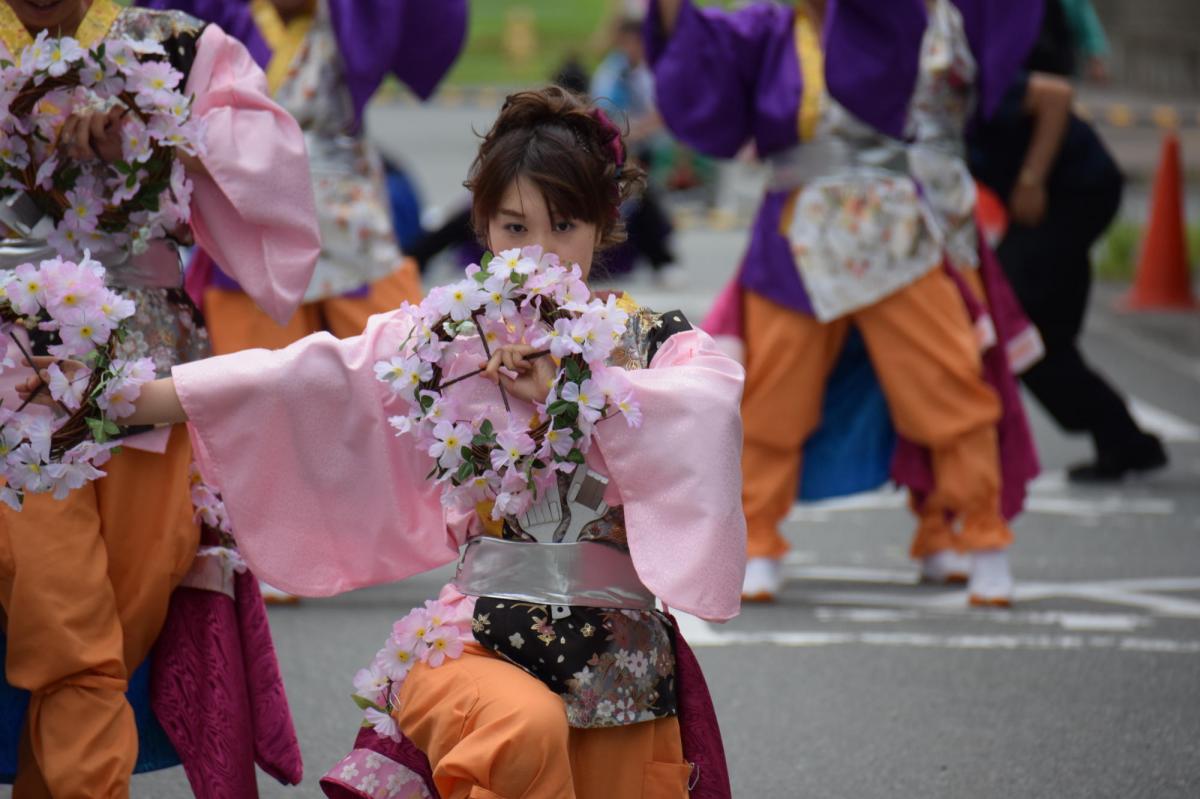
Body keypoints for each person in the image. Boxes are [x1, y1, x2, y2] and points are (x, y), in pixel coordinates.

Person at [28, 86, 745, 799]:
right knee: (520, 728)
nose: (541, 254)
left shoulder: (649, 344)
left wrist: (578, 390)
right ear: (484, 228)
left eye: (566, 226)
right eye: (516, 227)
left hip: (621, 661)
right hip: (481, 641)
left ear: (603, 227)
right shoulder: (445, 338)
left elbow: (705, 408)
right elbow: (299, 376)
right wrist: (110, 397)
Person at [0, 0, 320, 795]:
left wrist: (158, 130)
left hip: (145, 376)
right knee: (70, 632)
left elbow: (277, 177)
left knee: (123, 622)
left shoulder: (179, 49)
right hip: (12, 374)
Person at [646, 0, 1043, 605]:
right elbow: (705, 59)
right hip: (795, 236)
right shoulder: (773, 25)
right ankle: (760, 543)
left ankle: (977, 536)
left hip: (899, 232)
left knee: (948, 387)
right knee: (773, 396)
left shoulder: (916, 14)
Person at [141, 0, 467, 351]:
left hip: (351, 216)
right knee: (256, 380)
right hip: (250, 213)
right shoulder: (219, 12)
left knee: (397, 358)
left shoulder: (352, 15)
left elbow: (431, 30)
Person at [968, 71, 1168, 483]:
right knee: (1040, 334)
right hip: (1047, 208)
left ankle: (983, 447)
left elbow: (1055, 95)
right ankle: (1122, 438)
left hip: (1074, 190)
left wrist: (1031, 179)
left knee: (1011, 318)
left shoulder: (942, 74)